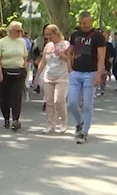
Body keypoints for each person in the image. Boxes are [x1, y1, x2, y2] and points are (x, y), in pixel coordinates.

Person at [67, 12, 106, 144]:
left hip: (91, 73)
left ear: (90, 21)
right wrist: (70, 69)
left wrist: (98, 74)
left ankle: (84, 132)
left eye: (85, 23)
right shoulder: (75, 35)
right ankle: (80, 122)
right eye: (80, 23)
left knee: (88, 104)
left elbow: (101, 57)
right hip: (76, 73)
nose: (83, 25)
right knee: (72, 102)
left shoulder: (98, 36)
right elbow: (70, 51)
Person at [0, 21, 28, 131]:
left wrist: (24, 67)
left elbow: (25, 56)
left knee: (16, 96)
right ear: (10, 31)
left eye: (21, 31)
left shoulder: (22, 42)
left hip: (19, 71)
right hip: (5, 71)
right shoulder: (2, 42)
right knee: (5, 97)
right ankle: (6, 119)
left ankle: (16, 120)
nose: (19, 33)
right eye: (17, 31)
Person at [35, 24, 70, 134]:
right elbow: (43, 62)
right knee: (49, 102)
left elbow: (70, 60)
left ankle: (63, 122)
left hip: (62, 76)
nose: (48, 37)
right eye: (46, 35)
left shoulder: (65, 44)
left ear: (56, 33)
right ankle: (50, 124)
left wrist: (61, 56)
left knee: (59, 100)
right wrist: (36, 76)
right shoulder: (48, 46)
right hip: (48, 76)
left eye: (50, 35)